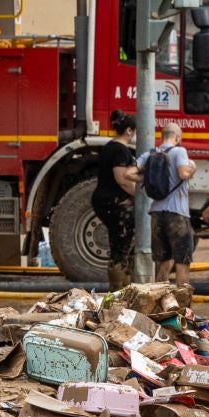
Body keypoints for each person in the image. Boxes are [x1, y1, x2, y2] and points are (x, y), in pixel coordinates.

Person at [142, 122, 197, 287]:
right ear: (178, 138)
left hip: (156, 213)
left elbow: (131, 172)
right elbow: (183, 173)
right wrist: (193, 168)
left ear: (161, 136)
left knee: (163, 262)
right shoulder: (180, 151)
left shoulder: (150, 154)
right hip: (177, 214)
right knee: (182, 262)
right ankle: (181, 308)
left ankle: (160, 306)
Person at [92, 112, 141, 289]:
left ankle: (120, 287)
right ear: (129, 130)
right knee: (121, 247)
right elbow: (122, 178)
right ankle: (119, 289)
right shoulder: (121, 150)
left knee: (119, 244)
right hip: (115, 203)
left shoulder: (108, 147)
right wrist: (139, 197)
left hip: (104, 200)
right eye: (134, 131)